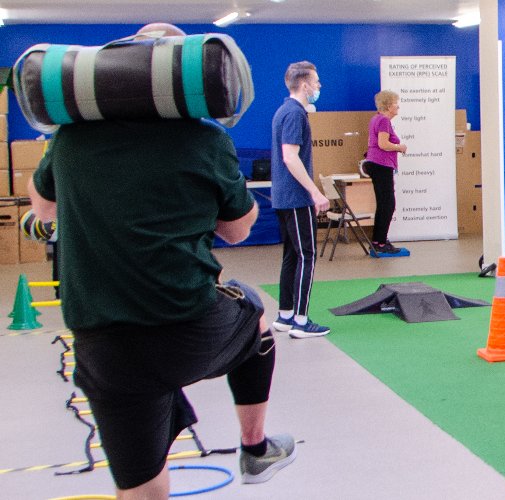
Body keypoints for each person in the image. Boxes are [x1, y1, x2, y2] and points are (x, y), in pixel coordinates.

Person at [29, 22, 297, 500]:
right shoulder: (204, 139)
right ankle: (255, 449)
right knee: (254, 313)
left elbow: (44, 210)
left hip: (104, 348)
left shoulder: (70, 140)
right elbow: (237, 230)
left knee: (141, 490)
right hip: (186, 330)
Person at [269, 60, 332, 338]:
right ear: (304, 84)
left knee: (292, 255)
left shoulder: (284, 110)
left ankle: (285, 315)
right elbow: (290, 157)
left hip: (283, 197)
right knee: (307, 255)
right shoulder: (295, 114)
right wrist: (315, 191)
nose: (319, 86)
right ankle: (301, 320)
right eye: (316, 82)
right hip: (296, 197)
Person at [365, 90, 408, 256]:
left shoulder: (376, 119)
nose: (398, 106)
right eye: (396, 103)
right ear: (389, 106)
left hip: (377, 164)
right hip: (381, 165)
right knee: (388, 204)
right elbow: (383, 144)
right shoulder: (383, 121)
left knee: (384, 204)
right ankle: (381, 242)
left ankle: (378, 240)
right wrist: (400, 147)